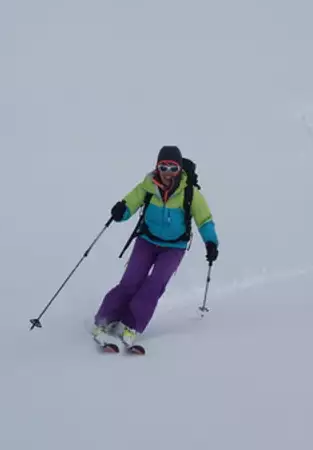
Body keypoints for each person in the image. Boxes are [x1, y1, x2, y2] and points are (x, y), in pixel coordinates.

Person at [92, 145, 219, 347]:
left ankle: (131, 324)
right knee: (131, 280)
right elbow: (131, 202)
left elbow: (205, 220)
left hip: (174, 247)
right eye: (163, 167)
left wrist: (211, 242)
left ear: (179, 170)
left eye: (173, 168)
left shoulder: (190, 193)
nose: (168, 173)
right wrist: (121, 210)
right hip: (147, 240)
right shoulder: (148, 186)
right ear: (157, 167)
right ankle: (105, 318)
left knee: (154, 284)